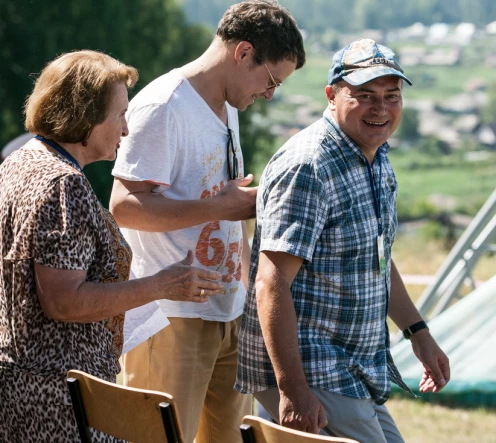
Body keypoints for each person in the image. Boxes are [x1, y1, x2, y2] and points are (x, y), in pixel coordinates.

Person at [0, 50, 223, 442]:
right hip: (58, 403)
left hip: (25, 390)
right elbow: (64, 302)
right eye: (121, 114)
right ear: (85, 113)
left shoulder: (19, 161)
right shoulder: (61, 185)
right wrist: (162, 285)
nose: (126, 129)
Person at [235, 39, 450, 442]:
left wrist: (418, 332)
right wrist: (292, 391)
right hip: (312, 368)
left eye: (391, 96)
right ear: (332, 95)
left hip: (353, 369)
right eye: (364, 95)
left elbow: (376, 258)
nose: (381, 108)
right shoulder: (309, 165)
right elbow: (271, 282)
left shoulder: (375, 156)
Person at [108, 1, 305, 441]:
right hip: (169, 316)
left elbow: (221, 200)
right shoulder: (164, 106)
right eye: (271, 80)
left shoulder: (228, 103)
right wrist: (222, 206)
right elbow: (123, 206)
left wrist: (249, 284)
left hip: (227, 311)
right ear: (242, 53)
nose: (271, 94)